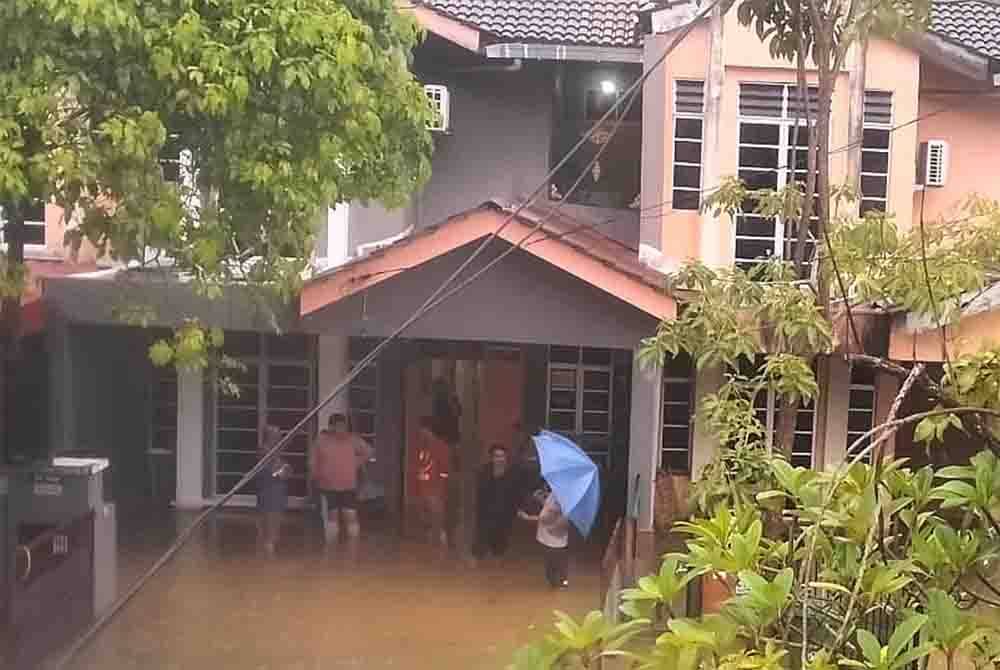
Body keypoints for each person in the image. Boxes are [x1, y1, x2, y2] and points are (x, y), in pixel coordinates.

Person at [310, 413, 373, 546]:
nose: (340, 429)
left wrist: (356, 462)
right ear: (331, 426)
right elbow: (312, 462)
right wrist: (316, 475)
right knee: (332, 516)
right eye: (337, 426)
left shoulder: (353, 439)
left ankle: (353, 546)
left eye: (342, 426)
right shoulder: (321, 441)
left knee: (350, 515)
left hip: (348, 485)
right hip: (327, 486)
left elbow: (369, 451)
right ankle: (331, 546)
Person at [519, 485, 571, 588]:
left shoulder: (563, 500)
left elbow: (546, 517)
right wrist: (542, 498)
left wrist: (527, 517)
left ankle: (560, 582)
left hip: (553, 539)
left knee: (553, 563)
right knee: (556, 562)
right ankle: (560, 581)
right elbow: (549, 506)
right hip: (554, 538)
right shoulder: (557, 493)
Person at [473, 444, 519, 559]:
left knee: (500, 542)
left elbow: (515, 493)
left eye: (502, 456)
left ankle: (498, 556)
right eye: (497, 456)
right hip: (486, 512)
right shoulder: (484, 471)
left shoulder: (512, 473)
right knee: (482, 538)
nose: (500, 459)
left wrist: (515, 509)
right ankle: (480, 556)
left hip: (504, 513)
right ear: (492, 457)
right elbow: (480, 493)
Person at [413, 416, 451, 549]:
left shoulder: (441, 446)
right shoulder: (422, 446)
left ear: (428, 430)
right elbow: (419, 466)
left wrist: (439, 488)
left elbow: (445, 470)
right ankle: (430, 549)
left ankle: (441, 546)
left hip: (435, 489)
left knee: (437, 518)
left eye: (422, 430)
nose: (420, 433)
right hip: (423, 488)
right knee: (425, 518)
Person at [256, 424, 292, 555]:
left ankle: (269, 559)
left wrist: (284, 470)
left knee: (275, 529)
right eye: (276, 435)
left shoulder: (274, 451)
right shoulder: (264, 450)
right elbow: (276, 472)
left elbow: (286, 472)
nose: (279, 437)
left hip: (278, 493)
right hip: (269, 494)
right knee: (270, 530)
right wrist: (283, 470)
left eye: (279, 435)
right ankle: (267, 561)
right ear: (269, 436)